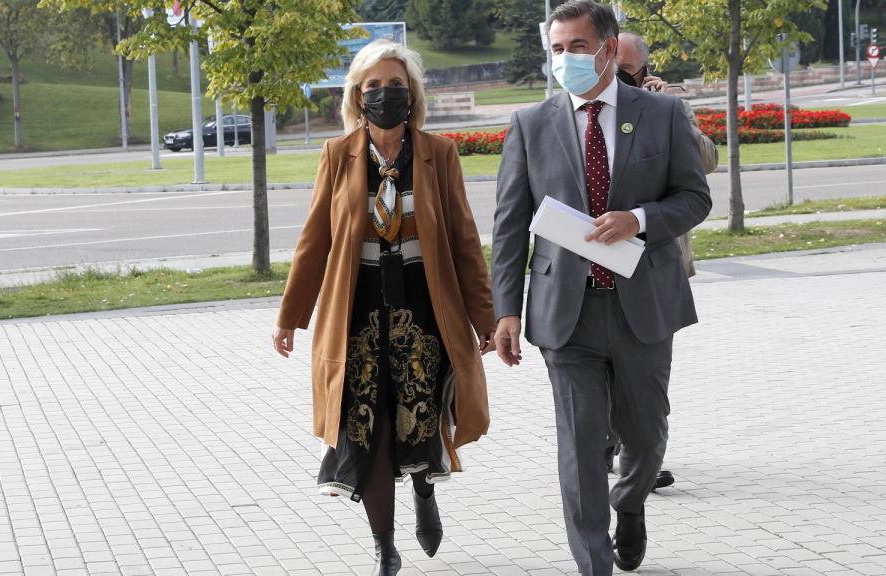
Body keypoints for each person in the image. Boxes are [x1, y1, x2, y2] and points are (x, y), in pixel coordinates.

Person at [490, 1, 711, 574]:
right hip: (567, 313)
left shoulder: (663, 113)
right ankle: (594, 563)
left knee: (645, 435)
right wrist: (505, 311)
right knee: (581, 444)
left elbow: (695, 198)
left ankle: (630, 503)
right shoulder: (530, 124)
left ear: (609, 50)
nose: (565, 59)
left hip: (643, 305)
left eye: (578, 47)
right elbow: (510, 225)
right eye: (557, 49)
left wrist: (639, 219)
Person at [272, 39, 496, 576]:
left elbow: (465, 242)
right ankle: (384, 547)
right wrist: (290, 316)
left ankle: (424, 491)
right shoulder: (337, 154)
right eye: (373, 86)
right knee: (365, 428)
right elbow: (314, 241)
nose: (385, 94)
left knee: (418, 417)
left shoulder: (438, 155)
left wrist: (485, 319)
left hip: (424, 305)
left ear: (412, 94)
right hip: (358, 309)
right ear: (357, 95)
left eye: (396, 85)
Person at [605, 31, 722, 490]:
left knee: (646, 373)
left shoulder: (667, 108)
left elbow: (706, 163)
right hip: (596, 260)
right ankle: (608, 450)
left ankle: (640, 458)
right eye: (611, 64)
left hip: (653, 259)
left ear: (646, 71)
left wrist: (671, 111)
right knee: (603, 367)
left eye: (626, 69)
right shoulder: (588, 107)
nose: (617, 76)